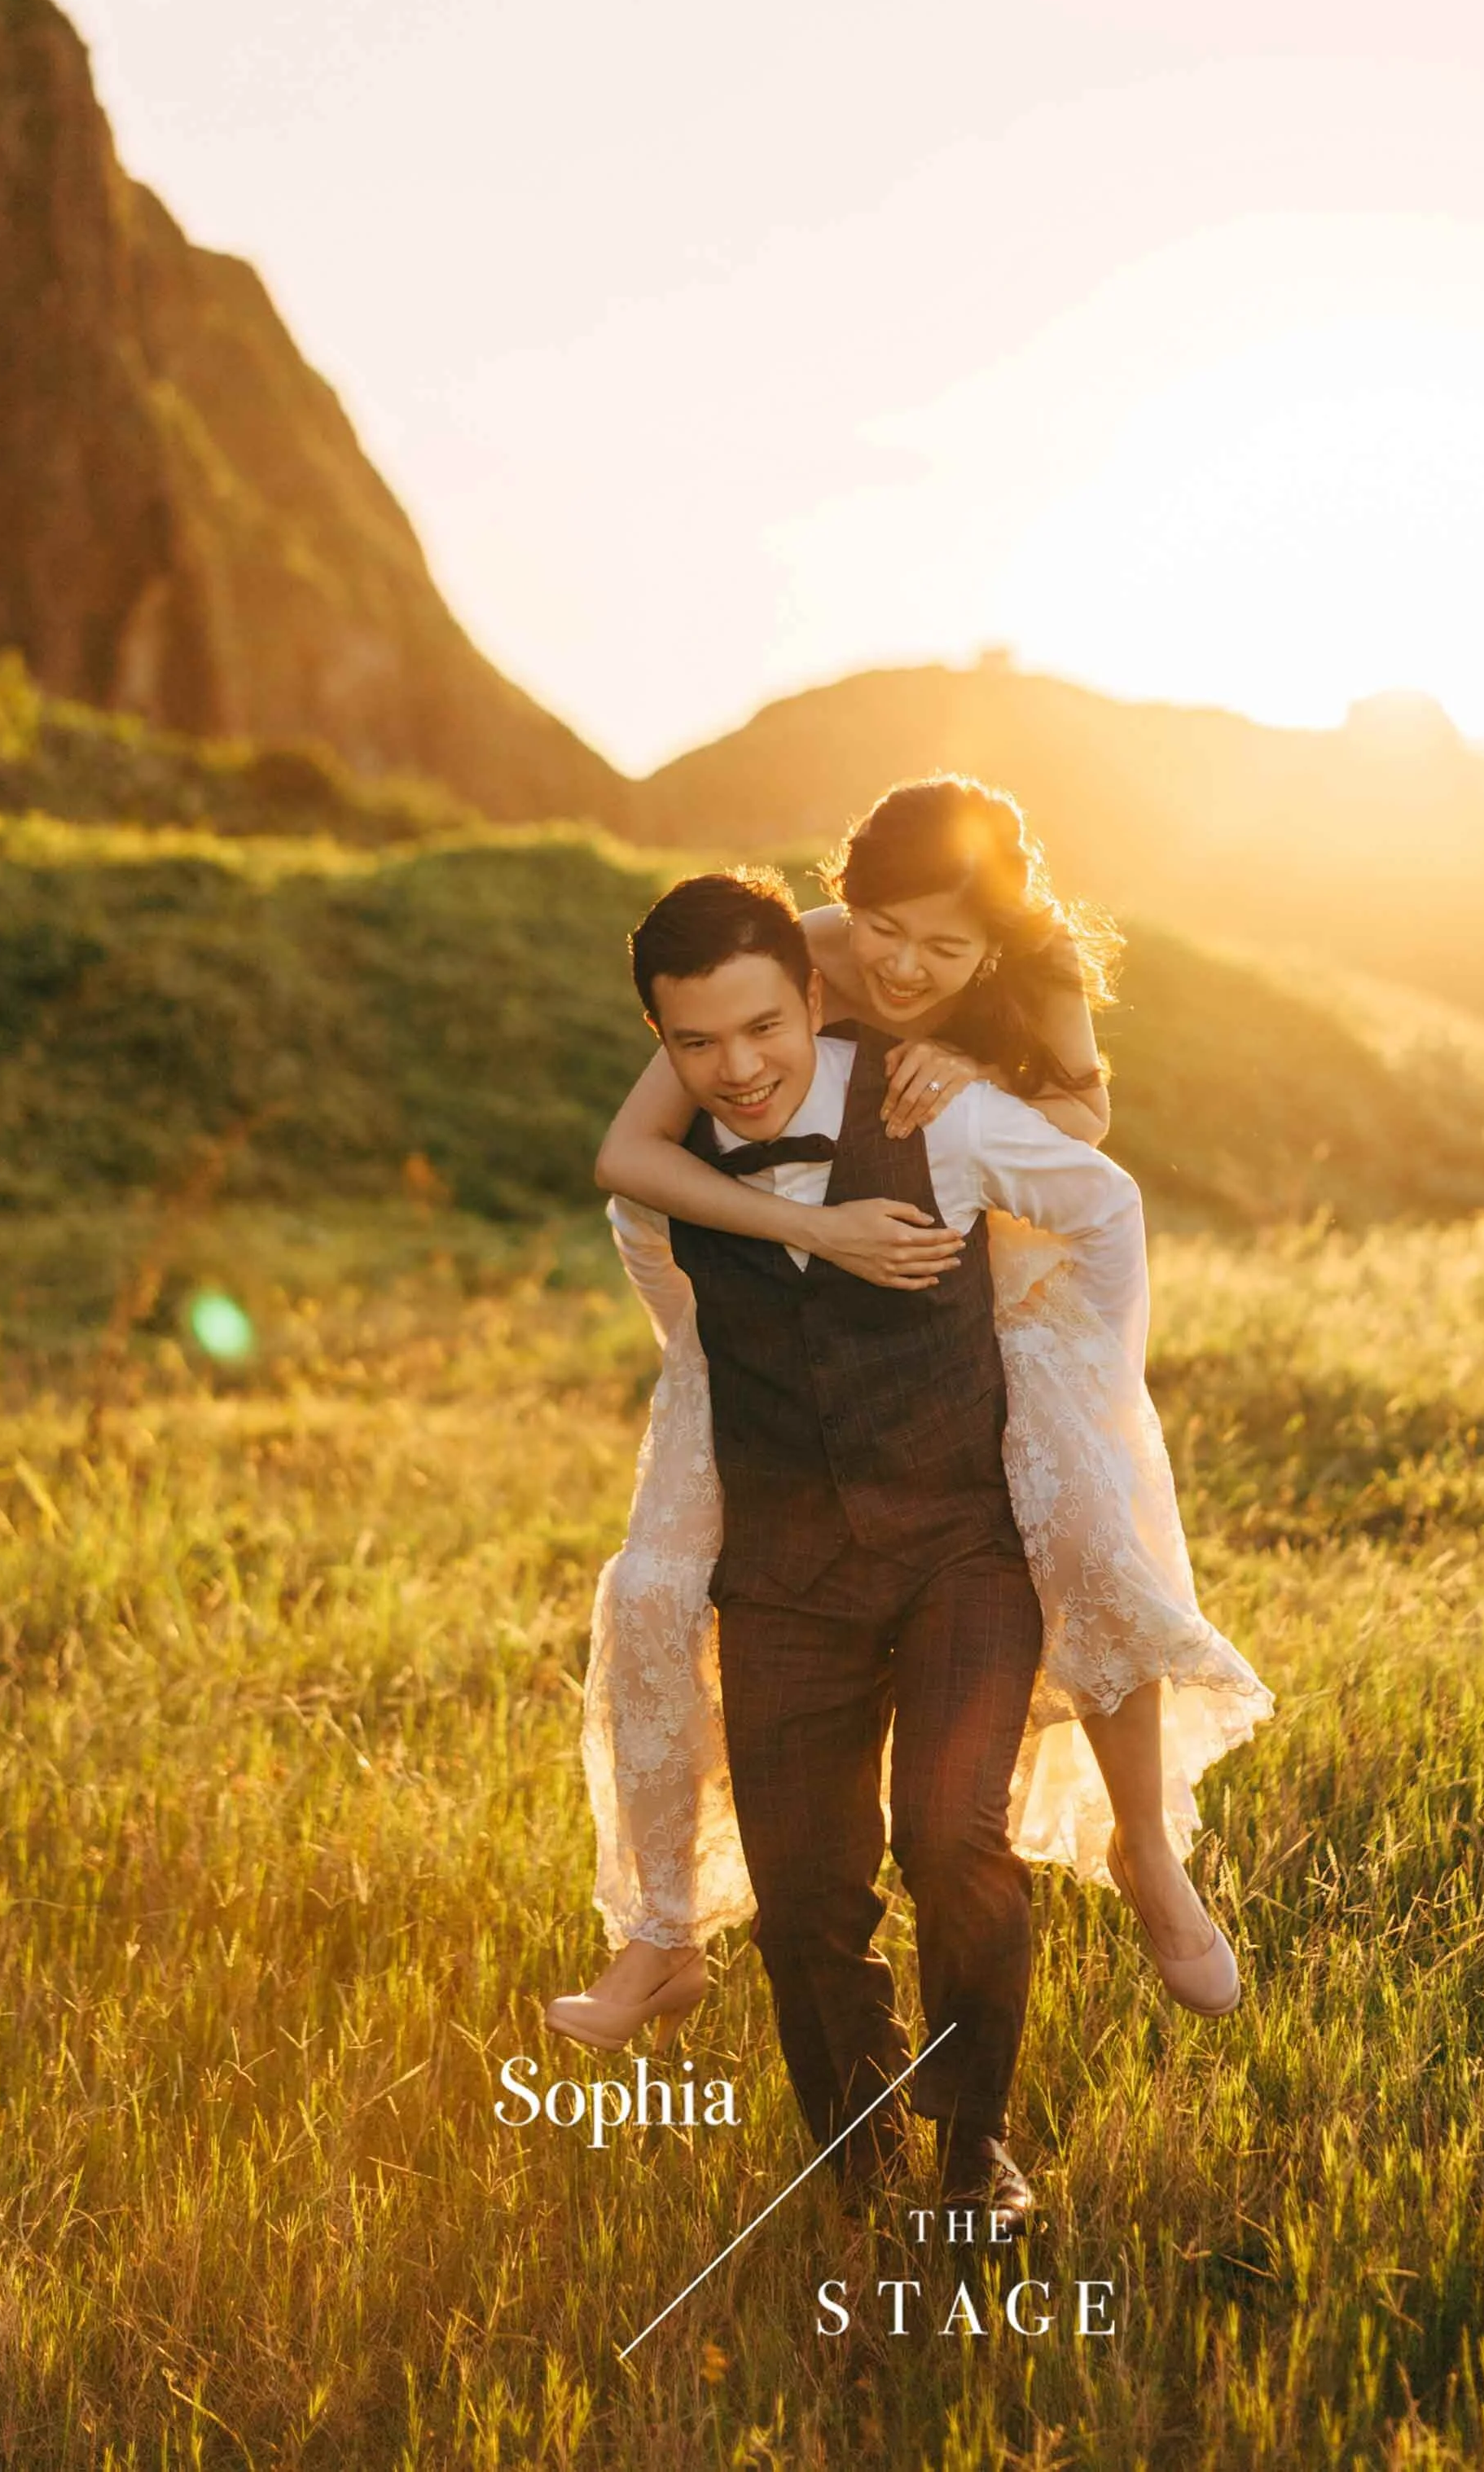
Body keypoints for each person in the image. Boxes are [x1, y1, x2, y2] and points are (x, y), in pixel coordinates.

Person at [555, 865, 1186, 2225]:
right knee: (801, 1897)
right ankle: (864, 2166)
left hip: (961, 1546)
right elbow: (685, 1340)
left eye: (763, 1027)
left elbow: (1106, 1204)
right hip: (784, 1571)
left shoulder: (938, 1112)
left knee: (950, 1836)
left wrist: (1081, 1389)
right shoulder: (659, 1189)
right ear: (661, 1042)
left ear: (817, 994)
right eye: (697, 1043)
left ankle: (972, 2154)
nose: (738, 1068)